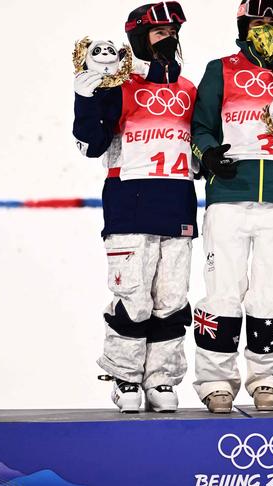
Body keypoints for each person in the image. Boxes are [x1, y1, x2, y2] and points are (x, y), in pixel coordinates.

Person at [190, 0, 273, 413]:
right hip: (229, 191)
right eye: (257, 23)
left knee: (270, 293)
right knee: (222, 291)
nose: (264, 29)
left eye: (272, 23)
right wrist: (209, 154)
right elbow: (201, 126)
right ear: (243, 25)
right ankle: (216, 380)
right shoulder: (221, 68)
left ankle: (268, 379)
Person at [72, 1, 199, 413]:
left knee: (173, 298)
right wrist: (86, 94)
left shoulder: (188, 88)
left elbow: (198, 149)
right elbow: (91, 144)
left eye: (173, 31)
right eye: (160, 32)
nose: (169, 38)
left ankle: (162, 378)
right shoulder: (117, 85)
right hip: (129, 204)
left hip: (178, 203)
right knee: (134, 297)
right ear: (138, 38)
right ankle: (126, 377)